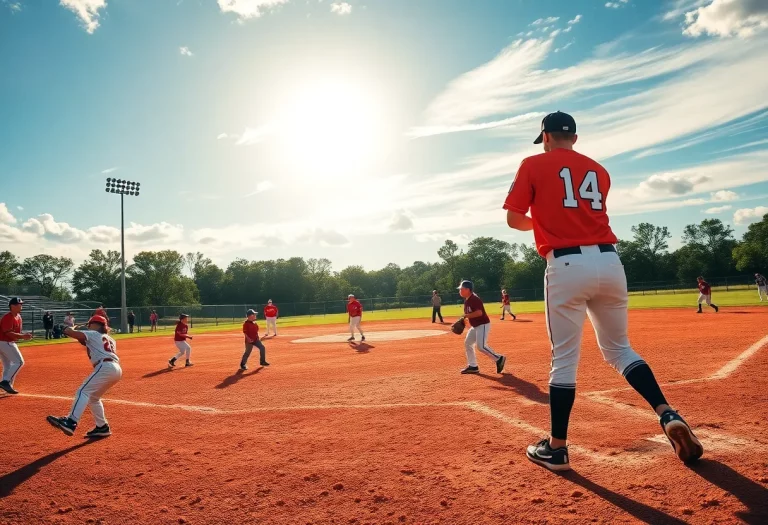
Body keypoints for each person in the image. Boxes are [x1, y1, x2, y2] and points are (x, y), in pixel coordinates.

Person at [503, 111, 702, 471]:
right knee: (619, 349)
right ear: (575, 139)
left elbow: (514, 218)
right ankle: (667, 412)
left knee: (564, 358)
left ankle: (557, 449)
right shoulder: (599, 170)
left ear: (545, 137)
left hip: (565, 265)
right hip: (610, 262)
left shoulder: (532, 164)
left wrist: (543, 222)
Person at [46, 315, 121, 438]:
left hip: (105, 367)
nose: (89, 326)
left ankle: (71, 421)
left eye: (90, 324)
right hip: (115, 369)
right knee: (94, 398)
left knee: (83, 391)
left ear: (96, 324)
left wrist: (65, 328)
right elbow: (83, 340)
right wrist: (72, 331)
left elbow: (74, 334)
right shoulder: (110, 339)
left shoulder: (93, 334)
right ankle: (102, 426)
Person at [457, 280, 506, 375]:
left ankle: (499, 358)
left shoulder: (474, 299)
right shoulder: (467, 300)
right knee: (468, 343)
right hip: (475, 326)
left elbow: (479, 313)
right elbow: (471, 314)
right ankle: (473, 366)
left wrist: (466, 316)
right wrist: (464, 319)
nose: (460, 291)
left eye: (461, 289)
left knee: (481, 346)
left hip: (482, 324)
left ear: (468, 289)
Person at [0, 297, 33, 395]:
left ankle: (7, 387)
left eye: (21, 304)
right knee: (19, 362)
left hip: (6, 342)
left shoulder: (18, 317)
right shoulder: (8, 317)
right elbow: (8, 333)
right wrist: (23, 336)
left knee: (8, 365)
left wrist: (24, 335)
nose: (21, 306)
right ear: (12, 306)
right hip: (5, 342)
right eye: (19, 304)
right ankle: (5, 382)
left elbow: (16, 332)